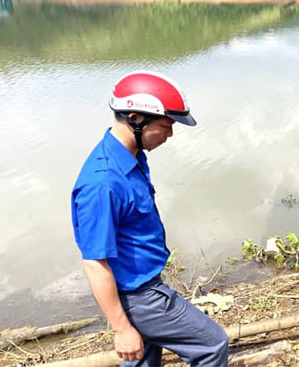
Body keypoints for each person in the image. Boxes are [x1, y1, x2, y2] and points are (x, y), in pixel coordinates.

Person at [71, 71, 229, 366]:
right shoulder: (102, 183)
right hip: (140, 297)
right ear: (136, 117)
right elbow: (94, 262)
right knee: (212, 344)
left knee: (142, 361)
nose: (169, 135)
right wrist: (121, 328)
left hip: (142, 287)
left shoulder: (130, 156)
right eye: (166, 126)